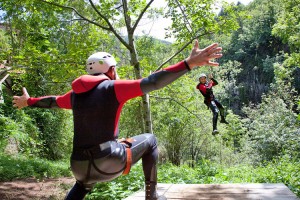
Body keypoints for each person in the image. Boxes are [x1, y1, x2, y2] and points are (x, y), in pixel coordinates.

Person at [12, 40, 222, 200]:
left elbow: (51, 101)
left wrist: (28, 101)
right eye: (116, 70)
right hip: (108, 161)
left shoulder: (74, 95)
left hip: (78, 165)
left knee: (83, 185)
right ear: (111, 70)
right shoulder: (114, 87)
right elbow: (153, 82)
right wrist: (189, 63)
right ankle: (153, 197)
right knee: (150, 139)